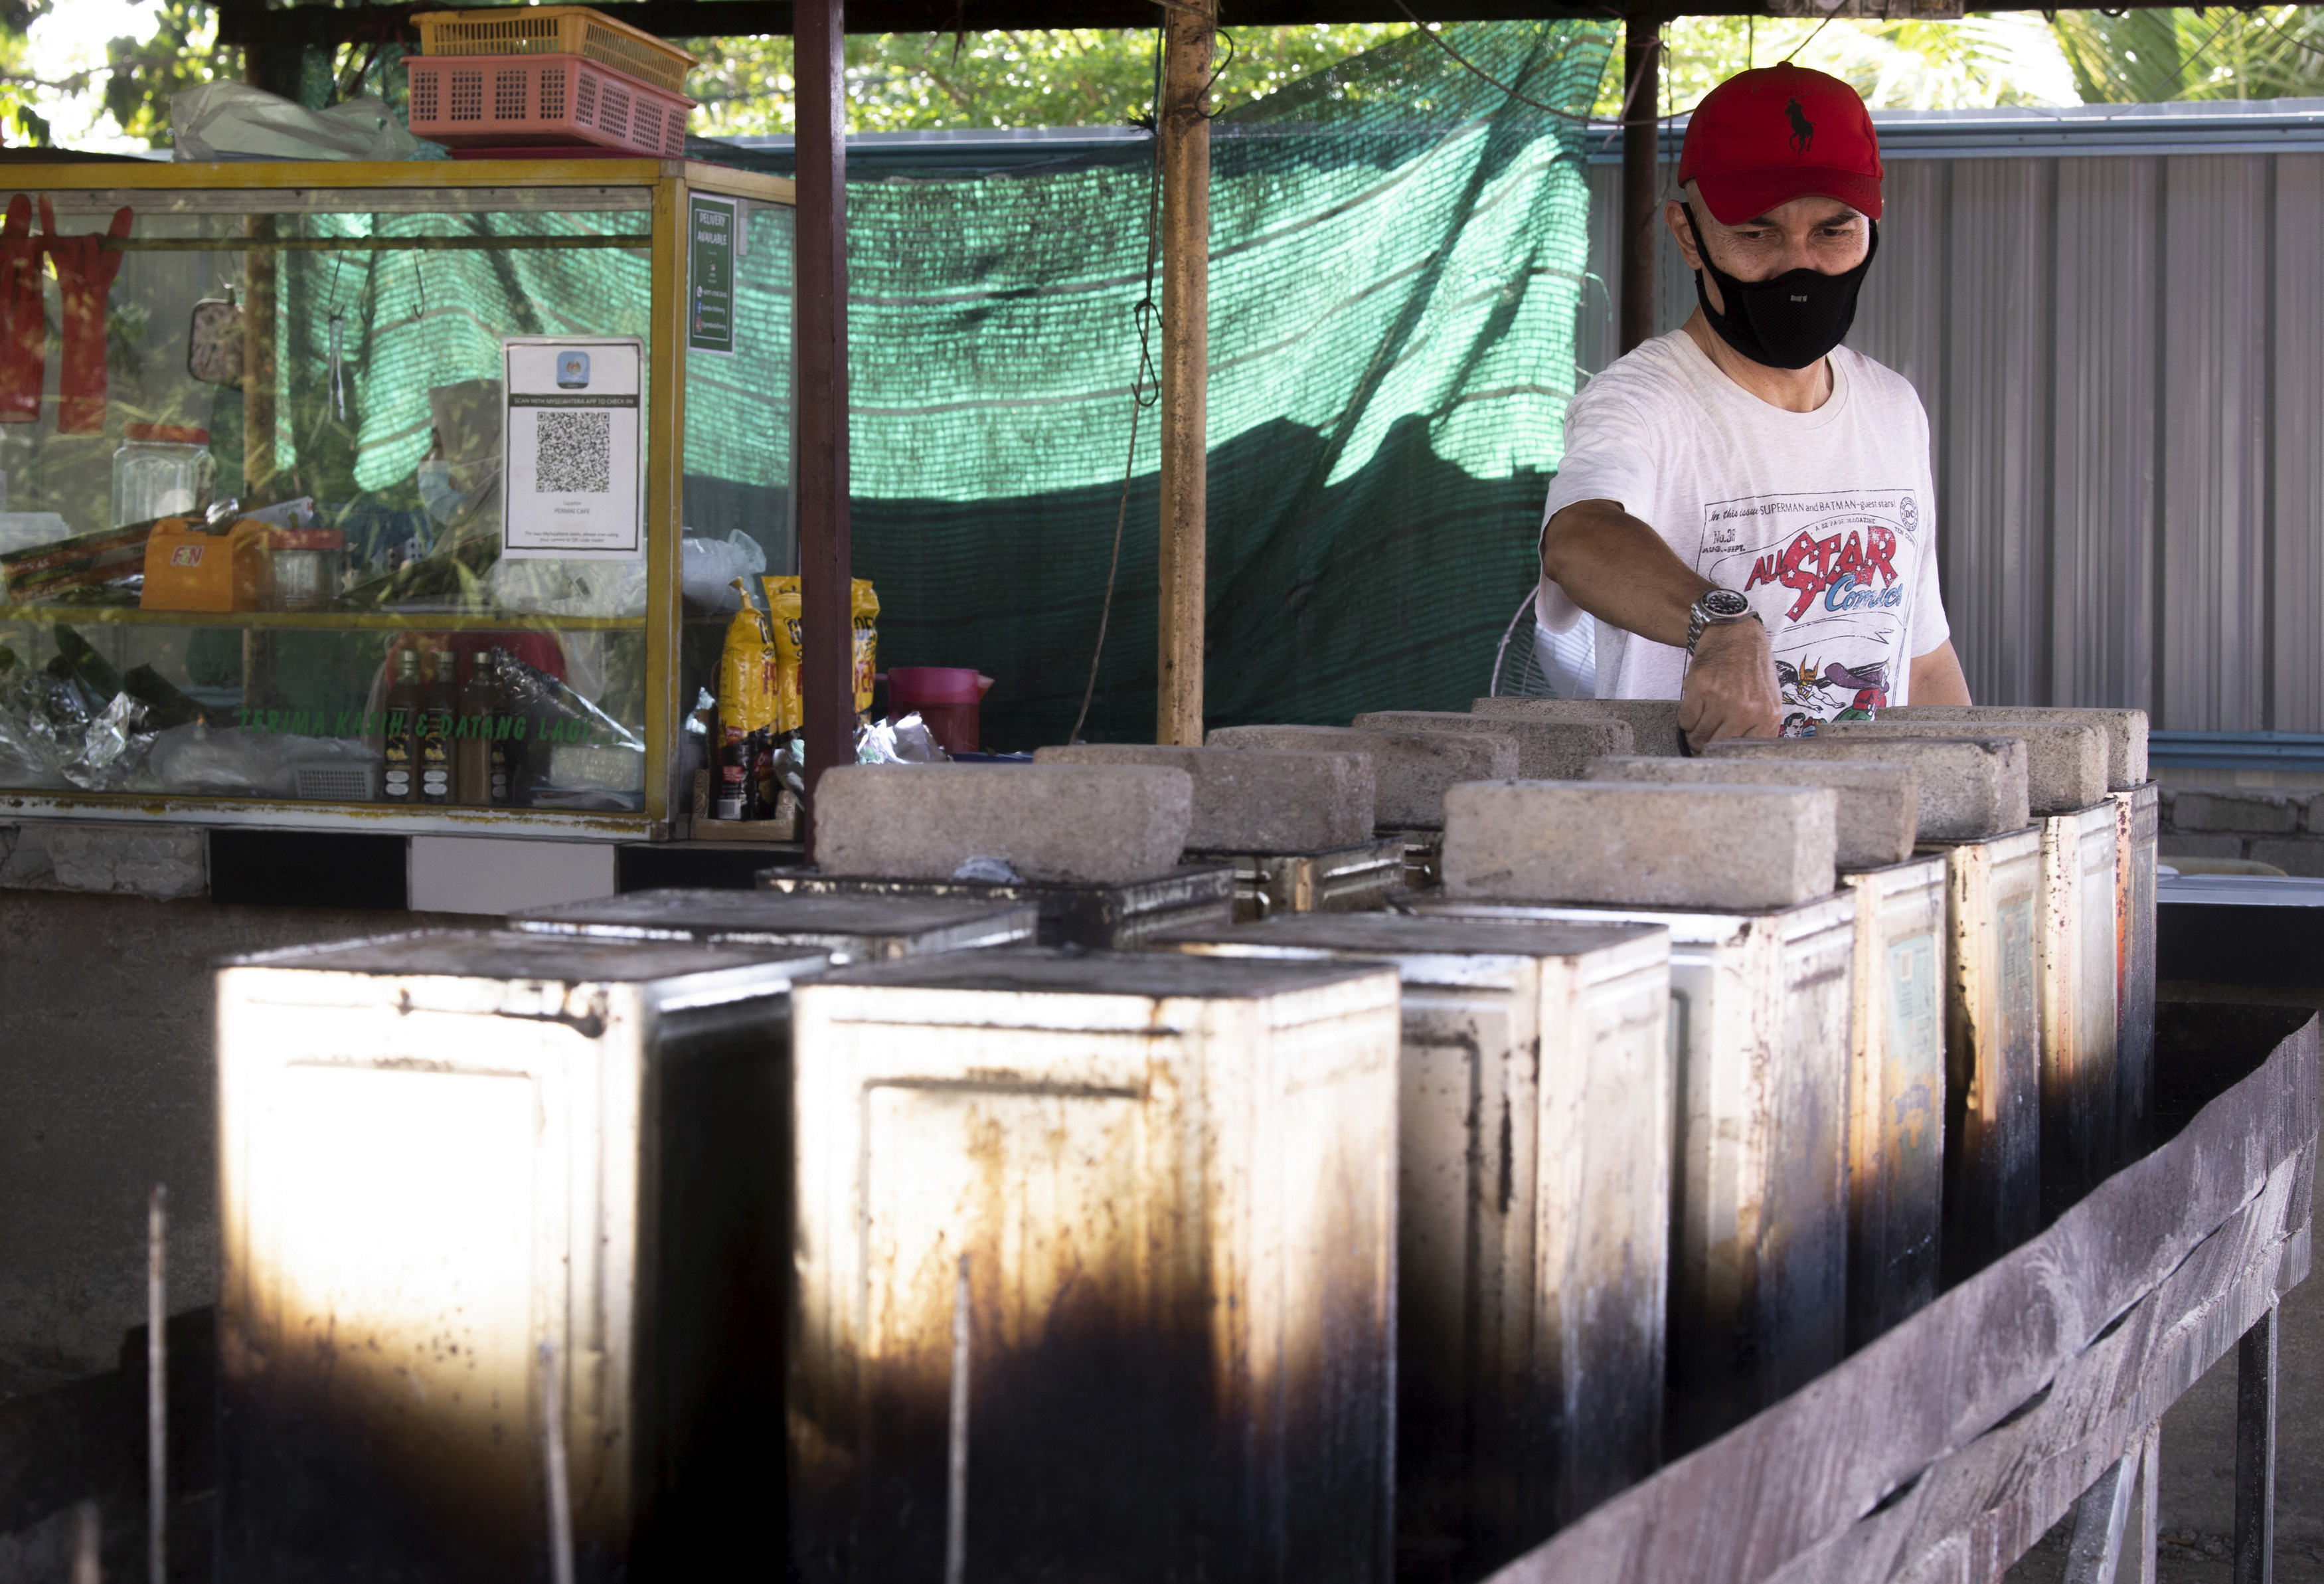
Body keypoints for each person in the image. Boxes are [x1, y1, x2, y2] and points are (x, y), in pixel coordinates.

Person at [1537, 61, 1972, 752]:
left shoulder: (1892, 407)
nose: (1797, 265)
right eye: (1756, 235)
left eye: (1833, 233)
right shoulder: (1642, 401)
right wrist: (1719, 620)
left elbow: (1919, 659)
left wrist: (1970, 794)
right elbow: (1577, 538)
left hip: (1867, 833)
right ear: (1687, 237)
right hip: (1696, 836)